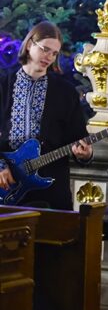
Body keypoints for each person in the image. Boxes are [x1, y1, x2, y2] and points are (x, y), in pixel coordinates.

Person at [0, 21, 92, 209]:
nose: (49, 57)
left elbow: (78, 138)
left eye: (54, 53)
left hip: (51, 192)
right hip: (6, 185)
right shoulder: (3, 85)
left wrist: (85, 154)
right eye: (45, 49)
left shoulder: (66, 93)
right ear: (29, 44)